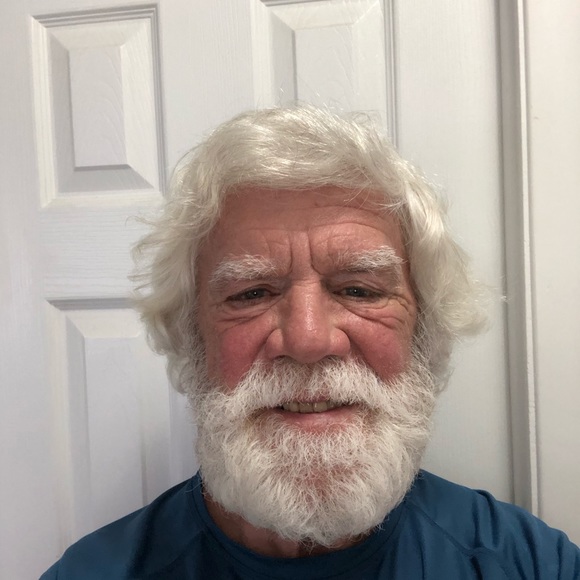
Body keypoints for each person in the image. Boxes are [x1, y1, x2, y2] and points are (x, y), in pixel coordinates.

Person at [41, 105, 580, 579]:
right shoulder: (93, 573)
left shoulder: (531, 564)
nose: (307, 339)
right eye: (251, 293)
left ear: (425, 329)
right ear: (190, 335)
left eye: (358, 290)